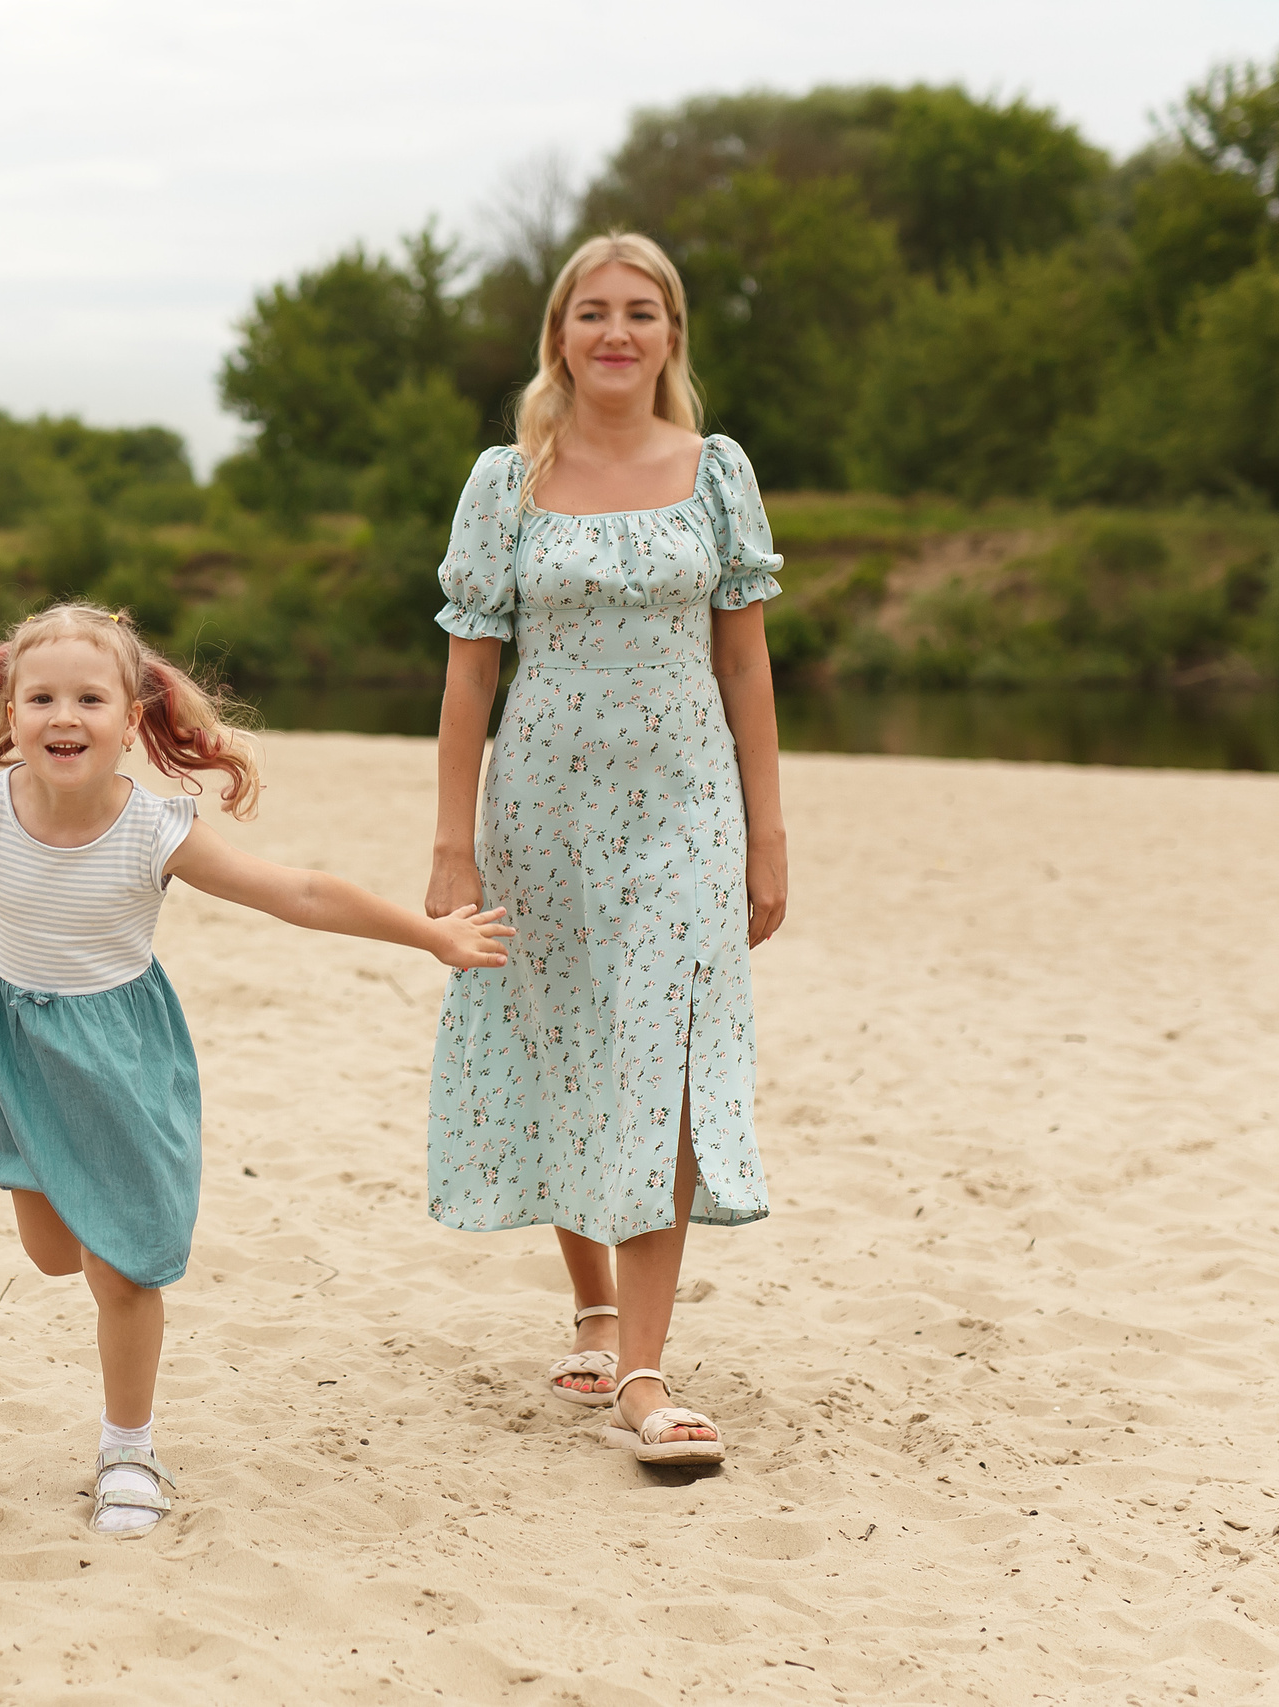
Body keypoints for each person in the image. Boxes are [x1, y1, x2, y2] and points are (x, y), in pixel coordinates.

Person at [0, 602, 512, 1537]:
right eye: (41, 696)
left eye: (90, 697)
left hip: (119, 1055)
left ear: (131, 718)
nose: (64, 716)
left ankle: (127, 1449)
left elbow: (295, 890)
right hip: (10, 1045)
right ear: (10, 716)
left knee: (126, 1270)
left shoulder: (155, 832)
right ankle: (75, 1229)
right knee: (52, 1254)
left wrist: (428, 935)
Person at [420, 232, 788, 1469]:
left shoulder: (716, 471)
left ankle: (640, 1367)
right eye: (593, 312)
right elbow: (470, 676)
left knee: (667, 1062)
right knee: (565, 1040)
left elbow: (743, 658)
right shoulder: (504, 480)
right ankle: (589, 1303)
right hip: (540, 813)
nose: (616, 332)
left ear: (672, 334)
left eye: (641, 311)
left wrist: (766, 833)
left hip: (686, 808)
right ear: (559, 337)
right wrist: (451, 847)